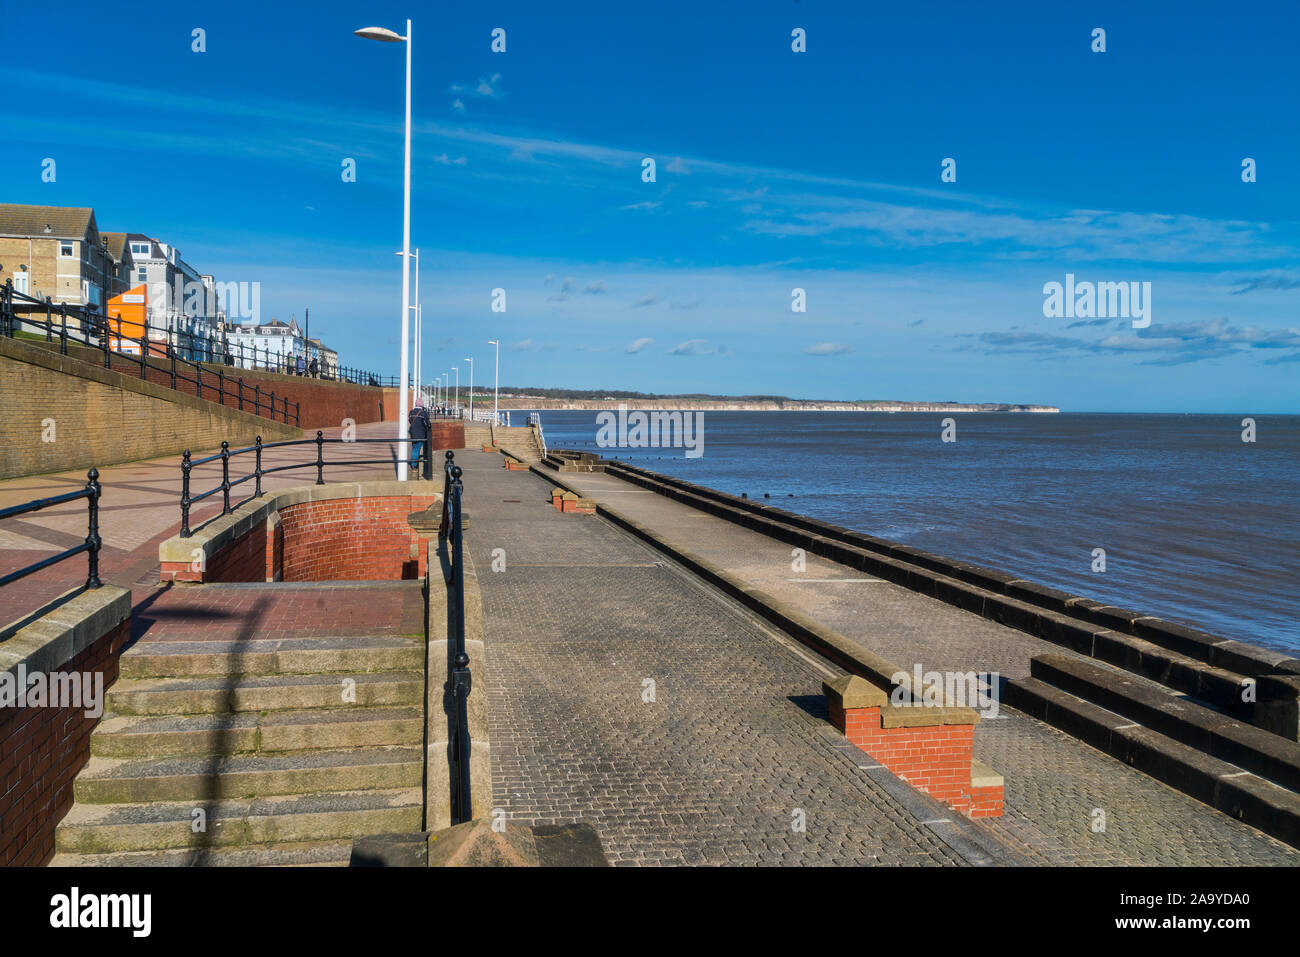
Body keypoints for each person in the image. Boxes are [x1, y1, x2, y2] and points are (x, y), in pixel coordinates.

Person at [407, 396, 431, 474]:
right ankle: (414, 465)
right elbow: (427, 424)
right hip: (420, 434)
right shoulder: (423, 413)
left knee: (414, 448)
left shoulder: (411, 412)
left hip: (413, 433)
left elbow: (410, 421)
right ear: (421, 405)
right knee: (417, 449)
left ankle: (414, 463)